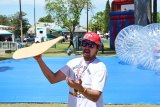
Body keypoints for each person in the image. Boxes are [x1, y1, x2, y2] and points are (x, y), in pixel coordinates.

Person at [34, 32, 107, 107]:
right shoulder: (73, 63)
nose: (87, 47)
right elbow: (53, 79)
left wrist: (80, 88)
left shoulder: (100, 67)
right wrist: (39, 60)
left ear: (98, 47)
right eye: (84, 43)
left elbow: (96, 97)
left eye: (91, 45)